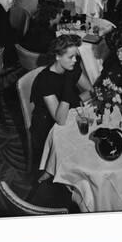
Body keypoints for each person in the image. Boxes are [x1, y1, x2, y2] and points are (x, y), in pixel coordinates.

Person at [30, 34, 82, 169]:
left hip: (67, 114)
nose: (75, 60)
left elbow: (90, 91)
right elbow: (60, 119)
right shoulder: (45, 80)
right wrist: (69, 85)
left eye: (76, 56)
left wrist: (79, 99)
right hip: (47, 126)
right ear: (57, 56)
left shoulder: (71, 67)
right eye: (71, 57)